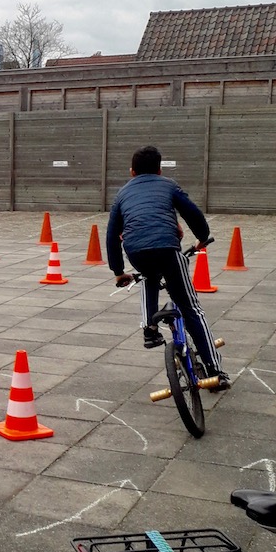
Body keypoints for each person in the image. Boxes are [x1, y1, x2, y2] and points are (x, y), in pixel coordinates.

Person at [106, 145, 230, 391]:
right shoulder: (168, 185)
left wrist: (118, 271)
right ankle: (216, 371)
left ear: (132, 172)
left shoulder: (122, 194)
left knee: (147, 275)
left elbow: (111, 236)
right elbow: (193, 214)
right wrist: (202, 237)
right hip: (167, 249)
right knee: (192, 309)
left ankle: (150, 329)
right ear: (160, 170)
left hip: (136, 251)